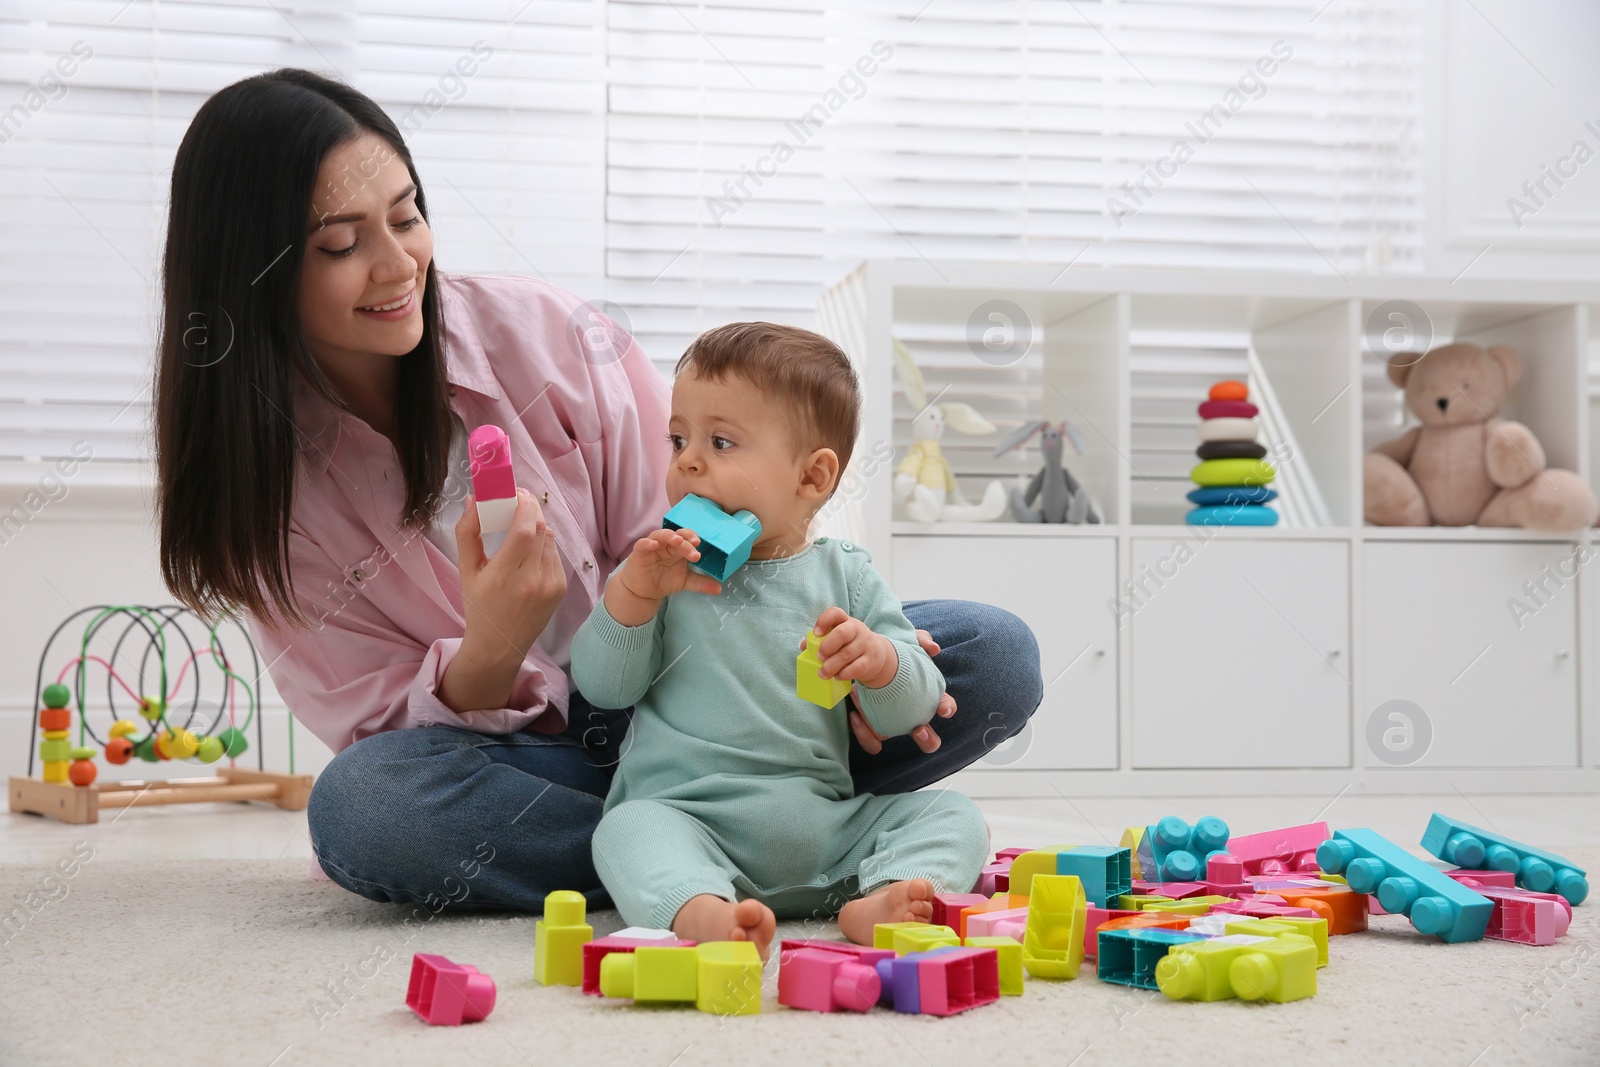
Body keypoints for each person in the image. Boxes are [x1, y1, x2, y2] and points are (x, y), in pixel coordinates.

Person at [153, 68, 1042, 913]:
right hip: (535, 767)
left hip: (724, 702)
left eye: (407, 216)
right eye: (342, 244)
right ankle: (729, 848)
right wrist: (492, 647)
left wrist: (870, 656)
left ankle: (704, 849)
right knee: (367, 810)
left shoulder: (541, 331)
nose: (398, 265)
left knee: (993, 653)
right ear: (253, 275)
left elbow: (705, 515)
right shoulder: (262, 501)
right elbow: (382, 735)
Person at [575, 323, 988, 957]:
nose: (686, 460)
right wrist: (632, 598)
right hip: (691, 820)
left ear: (812, 478)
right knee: (624, 830)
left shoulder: (846, 573)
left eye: (720, 441)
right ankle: (702, 910)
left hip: (828, 830)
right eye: (678, 438)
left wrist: (881, 664)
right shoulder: (661, 570)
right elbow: (606, 686)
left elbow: (908, 713)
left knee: (954, 815)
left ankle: (886, 898)